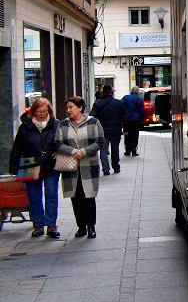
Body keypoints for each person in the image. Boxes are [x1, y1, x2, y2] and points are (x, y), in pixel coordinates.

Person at [9, 97, 60, 239]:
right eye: (39, 111)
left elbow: (61, 141)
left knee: (51, 194)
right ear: (33, 111)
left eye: (45, 111)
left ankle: (51, 225)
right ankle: (38, 225)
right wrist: (14, 168)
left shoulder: (56, 124)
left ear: (49, 110)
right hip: (30, 163)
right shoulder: (25, 126)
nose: (42, 114)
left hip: (50, 163)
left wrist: (59, 150)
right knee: (34, 196)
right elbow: (17, 148)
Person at [56, 96, 103, 238]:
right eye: (67, 108)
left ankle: (91, 227)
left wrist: (84, 151)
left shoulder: (94, 122)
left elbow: (100, 142)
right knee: (75, 198)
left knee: (89, 196)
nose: (68, 110)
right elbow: (57, 143)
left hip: (89, 165)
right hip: (70, 167)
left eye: (71, 107)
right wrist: (72, 151)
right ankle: (81, 226)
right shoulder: (63, 124)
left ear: (80, 108)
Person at [89, 84, 124, 174]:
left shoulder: (97, 103)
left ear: (103, 93)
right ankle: (116, 167)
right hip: (116, 129)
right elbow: (124, 117)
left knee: (103, 150)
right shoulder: (119, 103)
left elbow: (92, 116)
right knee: (115, 148)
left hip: (102, 130)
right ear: (112, 93)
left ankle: (105, 169)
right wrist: (125, 129)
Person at [121, 86, 143, 156]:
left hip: (127, 120)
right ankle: (134, 151)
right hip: (136, 120)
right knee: (135, 135)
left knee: (127, 135)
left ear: (131, 91)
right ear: (137, 92)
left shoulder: (125, 98)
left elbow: (121, 106)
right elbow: (142, 111)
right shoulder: (140, 99)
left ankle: (127, 151)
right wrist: (141, 120)